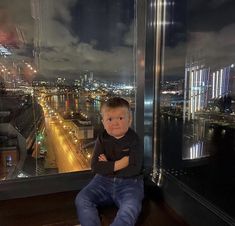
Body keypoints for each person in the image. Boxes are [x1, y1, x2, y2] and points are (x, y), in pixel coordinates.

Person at [75, 96, 144, 226]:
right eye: (110, 119)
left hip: (130, 183)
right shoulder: (102, 138)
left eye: (121, 118)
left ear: (130, 120)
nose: (115, 123)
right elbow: (95, 166)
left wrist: (108, 165)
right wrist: (120, 163)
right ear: (103, 122)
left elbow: (134, 169)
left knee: (131, 207)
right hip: (102, 181)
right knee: (82, 199)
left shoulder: (134, 140)